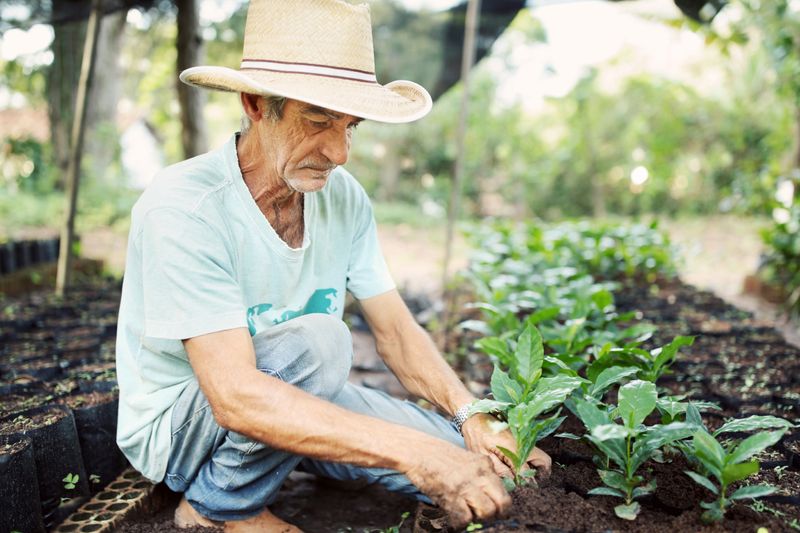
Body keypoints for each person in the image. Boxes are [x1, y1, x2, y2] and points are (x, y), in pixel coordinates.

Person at [115, 0, 551, 531]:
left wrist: (469, 417)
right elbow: (234, 396)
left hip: (298, 389)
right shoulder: (184, 206)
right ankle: (218, 509)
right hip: (187, 424)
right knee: (325, 343)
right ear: (256, 104)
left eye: (351, 125)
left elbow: (395, 331)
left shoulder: (343, 199)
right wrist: (412, 454)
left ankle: (287, 459)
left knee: (491, 471)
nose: (340, 151)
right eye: (318, 120)